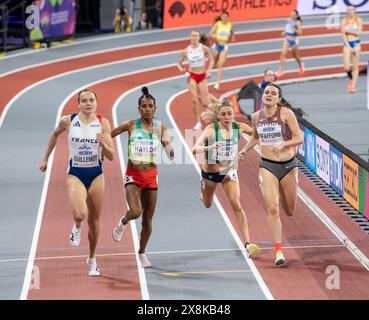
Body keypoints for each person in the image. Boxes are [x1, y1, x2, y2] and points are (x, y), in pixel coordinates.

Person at [39, 89, 115, 276]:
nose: (88, 103)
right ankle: (77, 227)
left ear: (96, 103)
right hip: (76, 173)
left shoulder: (103, 123)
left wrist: (103, 144)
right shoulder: (68, 121)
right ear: (78, 104)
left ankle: (92, 259)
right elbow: (54, 135)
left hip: (97, 174)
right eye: (84, 101)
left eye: (91, 100)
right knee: (80, 215)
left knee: (95, 220)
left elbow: (111, 156)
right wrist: (45, 159)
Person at [238, 83, 303, 266]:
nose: (269, 95)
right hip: (267, 166)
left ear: (278, 99)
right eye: (267, 92)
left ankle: (283, 190)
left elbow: (299, 138)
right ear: (263, 96)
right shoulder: (256, 117)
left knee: (289, 211)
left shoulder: (286, 114)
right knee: (273, 208)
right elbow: (255, 138)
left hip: (288, 166)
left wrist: (284, 144)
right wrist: (244, 150)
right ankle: (279, 252)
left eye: (273, 93)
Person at [111, 87, 174, 268]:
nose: (147, 109)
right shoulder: (131, 125)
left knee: (147, 221)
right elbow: (110, 134)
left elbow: (167, 143)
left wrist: (170, 150)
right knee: (136, 212)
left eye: (150, 106)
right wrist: (102, 147)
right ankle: (123, 222)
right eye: (144, 106)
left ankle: (142, 253)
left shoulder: (160, 127)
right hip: (133, 176)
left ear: (155, 108)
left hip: (151, 177)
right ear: (138, 109)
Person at [193, 99, 259, 258]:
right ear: (218, 115)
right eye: (223, 114)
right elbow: (195, 149)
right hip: (211, 174)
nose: (227, 117)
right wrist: (210, 147)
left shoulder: (239, 127)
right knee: (208, 204)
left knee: (236, 205)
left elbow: (257, 135)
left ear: (233, 114)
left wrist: (244, 150)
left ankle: (248, 244)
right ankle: (203, 193)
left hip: (229, 172)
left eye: (230, 113)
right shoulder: (211, 129)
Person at [178, 30, 214, 130]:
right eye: (192, 36)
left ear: (199, 38)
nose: (194, 37)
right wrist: (181, 68)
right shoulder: (186, 51)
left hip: (202, 75)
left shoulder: (204, 48)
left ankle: (201, 101)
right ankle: (198, 122)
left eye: (196, 36)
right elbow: (179, 63)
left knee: (206, 102)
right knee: (194, 100)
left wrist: (209, 70)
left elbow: (211, 60)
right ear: (190, 37)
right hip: (192, 76)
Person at [208, 10, 235, 91]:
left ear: (227, 17)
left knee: (220, 65)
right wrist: (214, 39)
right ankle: (207, 73)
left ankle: (217, 83)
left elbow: (232, 33)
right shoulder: (217, 24)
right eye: (223, 16)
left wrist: (232, 37)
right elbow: (210, 33)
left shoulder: (230, 25)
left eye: (226, 16)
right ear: (221, 17)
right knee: (213, 62)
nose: (224, 18)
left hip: (224, 46)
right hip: (216, 45)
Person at [276, 10, 304, 78]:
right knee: (283, 54)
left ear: (297, 16)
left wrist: (294, 28)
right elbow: (287, 29)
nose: (292, 15)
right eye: (291, 14)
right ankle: (281, 70)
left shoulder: (298, 22)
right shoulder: (288, 21)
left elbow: (300, 33)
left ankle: (301, 65)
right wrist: (284, 32)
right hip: (287, 39)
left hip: (294, 41)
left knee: (295, 56)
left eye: (294, 14)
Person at [341, 5, 362, 93]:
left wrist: (347, 30)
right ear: (347, 11)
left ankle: (353, 85)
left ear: (354, 11)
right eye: (348, 10)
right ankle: (351, 78)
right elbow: (343, 34)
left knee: (355, 66)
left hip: (356, 43)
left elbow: (359, 32)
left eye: (352, 10)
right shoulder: (344, 20)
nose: (350, 11)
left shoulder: (358, 20)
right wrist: (348, 46)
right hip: (347, 43)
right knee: (346, 67)